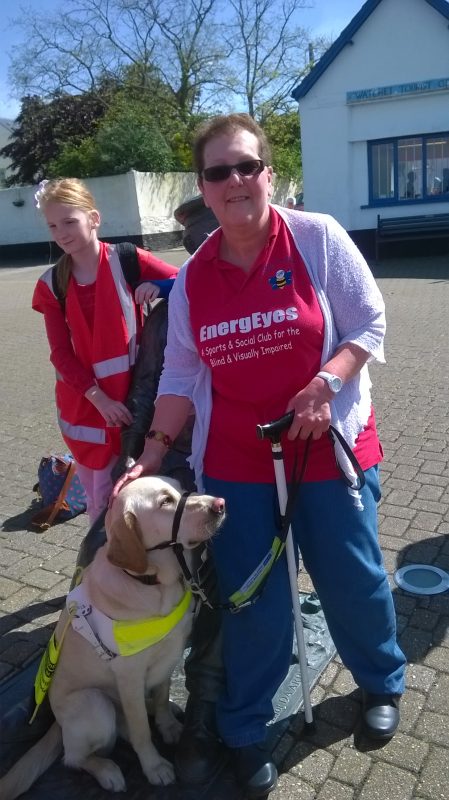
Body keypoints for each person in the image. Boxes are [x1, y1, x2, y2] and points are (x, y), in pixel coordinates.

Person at [114, 113, 407, 799]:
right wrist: (151, 453)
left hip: (325, 445)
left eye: (248, 166)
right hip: (239, 462)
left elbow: (369, 322)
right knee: (254, 603)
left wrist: (323, 385)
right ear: (204, 189)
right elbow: (183, 377)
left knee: (352, 577)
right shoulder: (193, 281)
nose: (235, 181)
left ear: (269, 174)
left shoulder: (316, 238)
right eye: (219, 172)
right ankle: (245, 726)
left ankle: (378, 681)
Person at [32, 178, 178, 524]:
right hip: (89, 411)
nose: (62, 233)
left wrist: (159, 286)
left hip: (137, 402)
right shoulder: (51, 284)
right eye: (53, 225)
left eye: (70, 221)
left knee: (144, 494)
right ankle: (107, 566)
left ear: (93, 218)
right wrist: (100, 400)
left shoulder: (126, 259)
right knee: (103, 506)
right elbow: (60, 355)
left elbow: (191, 283)